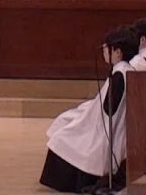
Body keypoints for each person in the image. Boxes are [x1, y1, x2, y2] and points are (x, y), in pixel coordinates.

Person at [40, 25, 137, 193]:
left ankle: (67, 182)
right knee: (67, 119)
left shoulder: (120, 74)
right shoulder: (124, 70)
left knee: (65, 134)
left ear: (118, 52)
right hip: (103, 121)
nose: (104, 52)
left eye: (107, 48)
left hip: (104, 129)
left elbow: (108, 110)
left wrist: (89, 113)